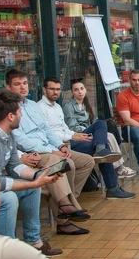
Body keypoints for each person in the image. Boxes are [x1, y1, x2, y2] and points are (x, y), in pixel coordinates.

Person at [0, 89, 62, 256]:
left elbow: (14, 166)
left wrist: (38, 176)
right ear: (10, 116)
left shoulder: (7, 134)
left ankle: (33, 241)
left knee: (32, 189)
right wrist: (32, 183)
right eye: (19, 111)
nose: (21, 115)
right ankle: (8, 253)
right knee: (8, 198)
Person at [6, 69, 94, 235]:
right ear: (8, 87)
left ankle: (67, 201)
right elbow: (21, 140)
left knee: (86, 161)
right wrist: (52, 150)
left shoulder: (32, 105)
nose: (23, 87)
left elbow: (47, 129)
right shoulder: (9, 110)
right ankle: (66, 209)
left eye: (25, 83)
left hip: (49, 147)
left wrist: (60, 146)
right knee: (63, 164)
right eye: (17, 84)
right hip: (33, 153)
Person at [39, 76, 133, 200]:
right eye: (52, 89)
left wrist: (74, 135)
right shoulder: (40, 108)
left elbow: (64, 128)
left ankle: (101, 152)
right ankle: (112, 187)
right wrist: (74, 135)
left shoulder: (57, 107)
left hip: (71, 137)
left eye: (58, 89)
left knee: (101, 125)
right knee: (103, 146)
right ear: (44, 90)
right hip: (62, 144)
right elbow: (49, 133)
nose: (55, 92)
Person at [63, 78, 135, 179]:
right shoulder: (68, 106)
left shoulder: (85, 104)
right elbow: (72, 126)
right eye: (76, 90)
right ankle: (118, 167)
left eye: (81, 88)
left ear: (85, 90)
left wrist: (96, 130)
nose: (79, 91)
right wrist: (92, 131)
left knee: (109, 135)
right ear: (72, 92)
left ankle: (119, 167)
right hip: (79, 134)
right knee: (103, 128)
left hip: (89, 131)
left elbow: (94, 120)